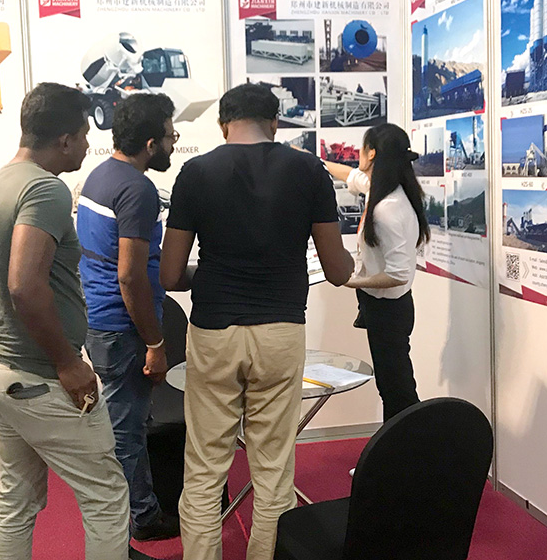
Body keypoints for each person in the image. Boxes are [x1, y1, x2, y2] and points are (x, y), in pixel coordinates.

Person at [160, 82, 354, 560]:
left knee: (204, 469)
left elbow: (168, 274)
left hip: (213, 331)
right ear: (275, 123)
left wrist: (213, 272)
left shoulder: (195, 172)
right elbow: (337, 270)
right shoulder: (308, 170)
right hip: (280, 331)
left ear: (223, 124)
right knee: (273, 470)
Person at [0, 82, 130, 560]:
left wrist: (2, 349)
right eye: (84, 135)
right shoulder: (44, 188)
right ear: (65, 140)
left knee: (16, 500)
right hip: (42, 381)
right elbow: (23, 285)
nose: (89, 145)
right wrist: (66, 363)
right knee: (106, 498)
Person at [76, 93, 180, 541]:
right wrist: (156, 344)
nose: (174, 143)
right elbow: (130, 275)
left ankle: (131, 514)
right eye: (171, 136)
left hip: (103, 322)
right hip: (123, 328)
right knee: (126, 432)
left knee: (123, 426)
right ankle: (141, 519)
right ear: (151, 144)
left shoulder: (101, 175)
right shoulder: (137, 189)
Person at [339, 123, 431, 422]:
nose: (358, 153)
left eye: (362, 148)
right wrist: (313, 161)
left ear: (372, 153)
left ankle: (413, 445)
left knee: (396, 389)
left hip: (387, 309)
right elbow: (351, 176)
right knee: (392, 385)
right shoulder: (384, 191)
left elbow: (398, 274)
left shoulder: (387, 208)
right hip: (386, 306)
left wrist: (354, 281)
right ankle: (400, 446)